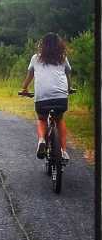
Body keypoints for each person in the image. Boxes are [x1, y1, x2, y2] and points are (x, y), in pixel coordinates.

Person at [20, 32, 72, 161]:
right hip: (61, 97)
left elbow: (29, 77)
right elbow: (68, 74)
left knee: (42, 119)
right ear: (59, 45)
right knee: (59, 120)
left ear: (42, 45)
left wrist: (24, 89)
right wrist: (69, 88)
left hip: (42, 97)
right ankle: (64, 151)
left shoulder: (35, 58)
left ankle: (42, 140)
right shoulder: (63, 58)